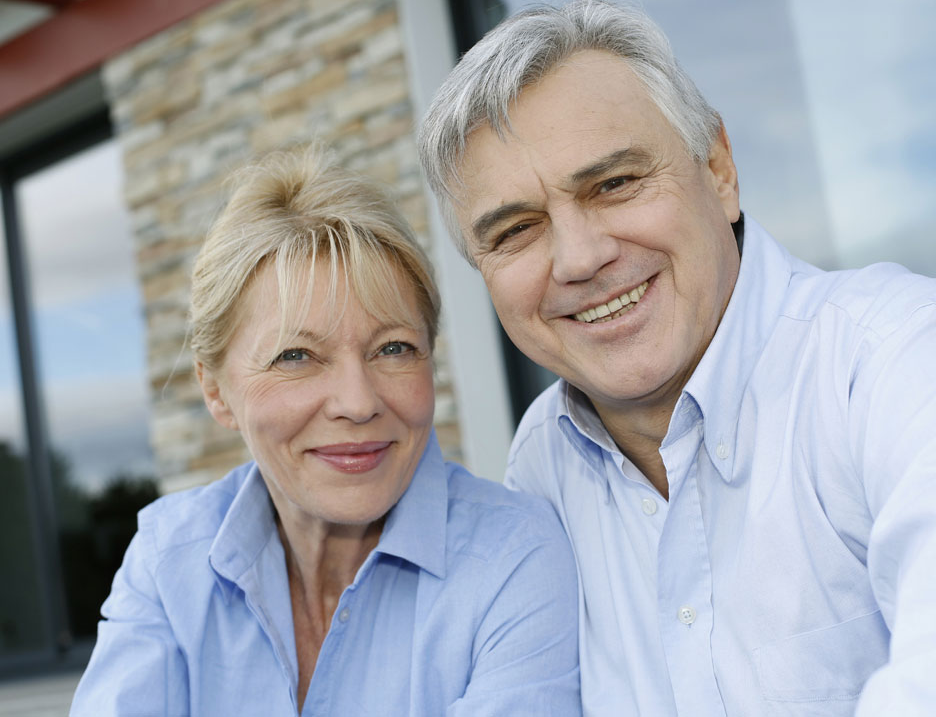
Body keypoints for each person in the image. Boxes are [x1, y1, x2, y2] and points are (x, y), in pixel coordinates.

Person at [417, 0, 936, 717]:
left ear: (719, 168)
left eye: (615, 184)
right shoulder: (541, 468)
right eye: (514, 230)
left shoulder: (901, 359)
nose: (579, 258)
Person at [70, 146, 581, 716]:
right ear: (216, 391)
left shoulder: (514, 557)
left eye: (394, 348)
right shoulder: (169, 560)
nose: (358, 403)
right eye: (295, 356)